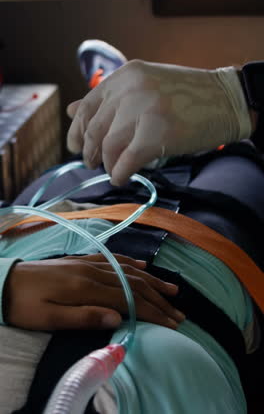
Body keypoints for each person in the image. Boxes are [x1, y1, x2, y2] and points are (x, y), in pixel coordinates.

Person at [0, 59, 262, 414]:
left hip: (46, 223)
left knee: (98, 154)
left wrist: (6, 283)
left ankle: (113, 97)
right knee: (239, 153)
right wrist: (243, 102)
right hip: (204, 253)